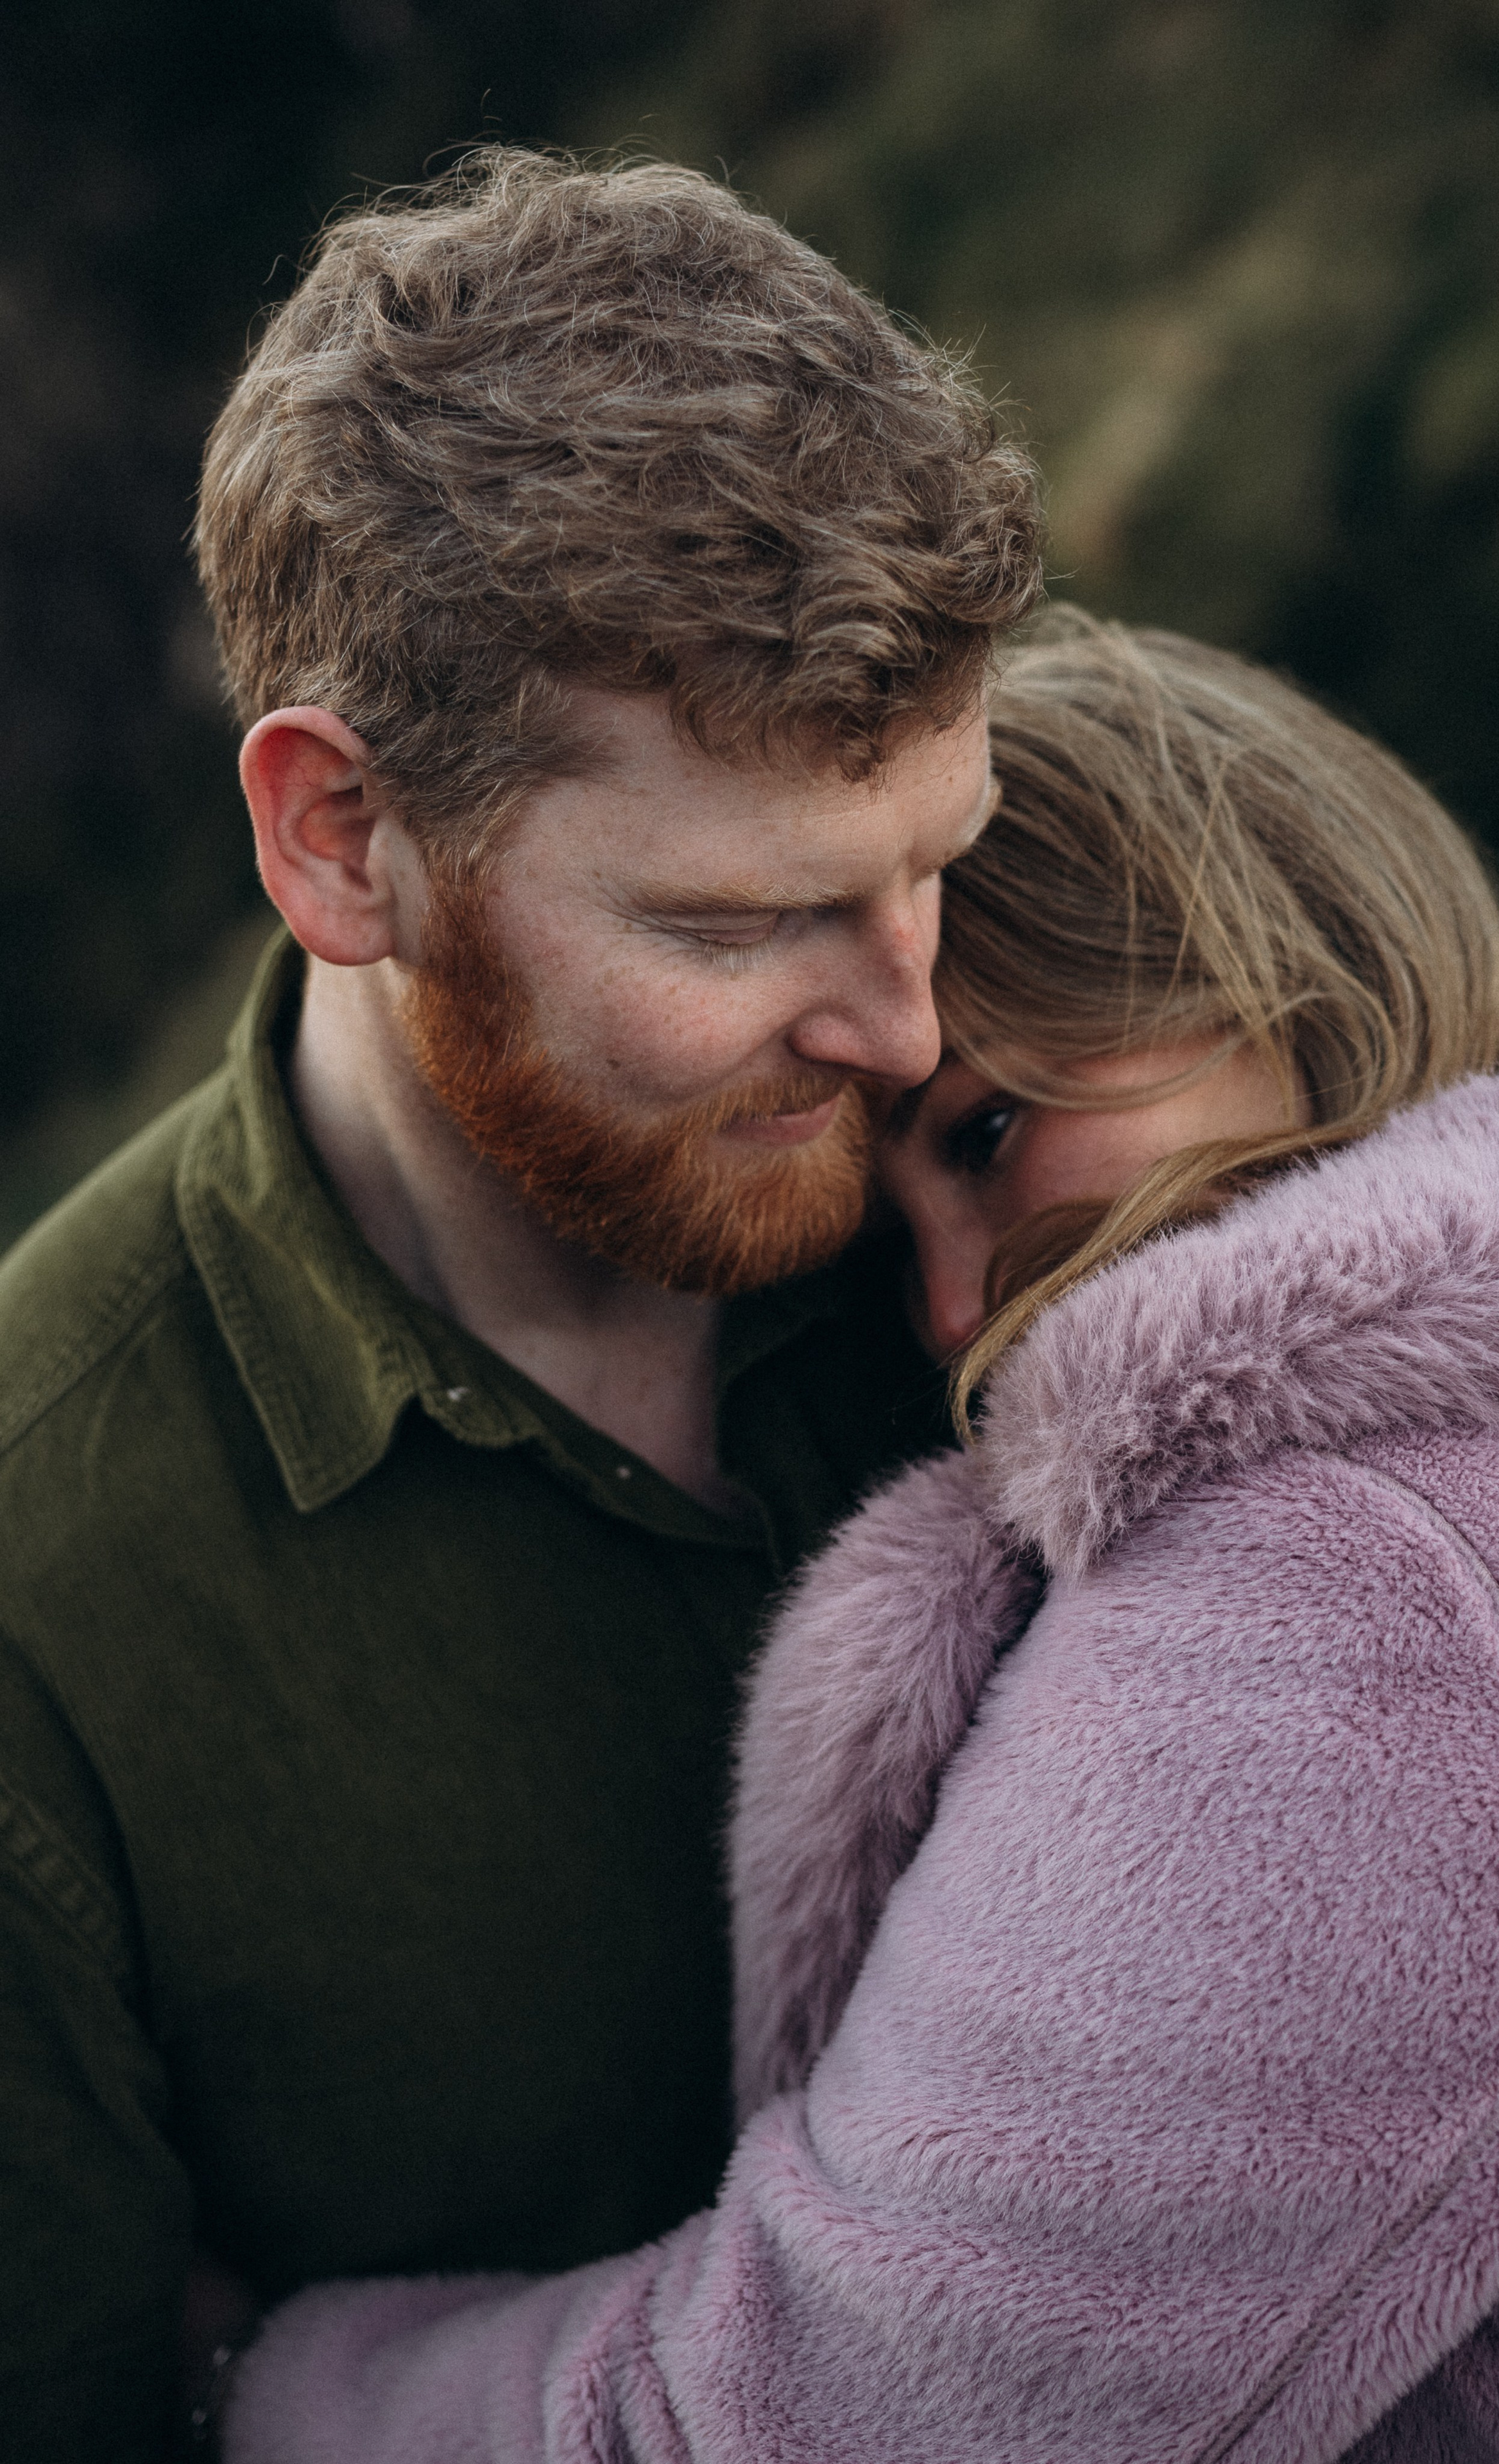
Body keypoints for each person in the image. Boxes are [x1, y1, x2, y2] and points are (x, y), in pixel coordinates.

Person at [220, 612, 1499, 2460]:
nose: (959, 1317)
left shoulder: (1358, 1603)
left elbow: (819, 2417)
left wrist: (257, 2397)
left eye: (985, 1136)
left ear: (1276, 960)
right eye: (894, 1242)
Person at [0, 149, 1041, 2457]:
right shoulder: (38, 1615)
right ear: (340, 840)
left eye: (936, 861)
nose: (906, 1027)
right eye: (731, 926)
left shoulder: (1110, 1108)